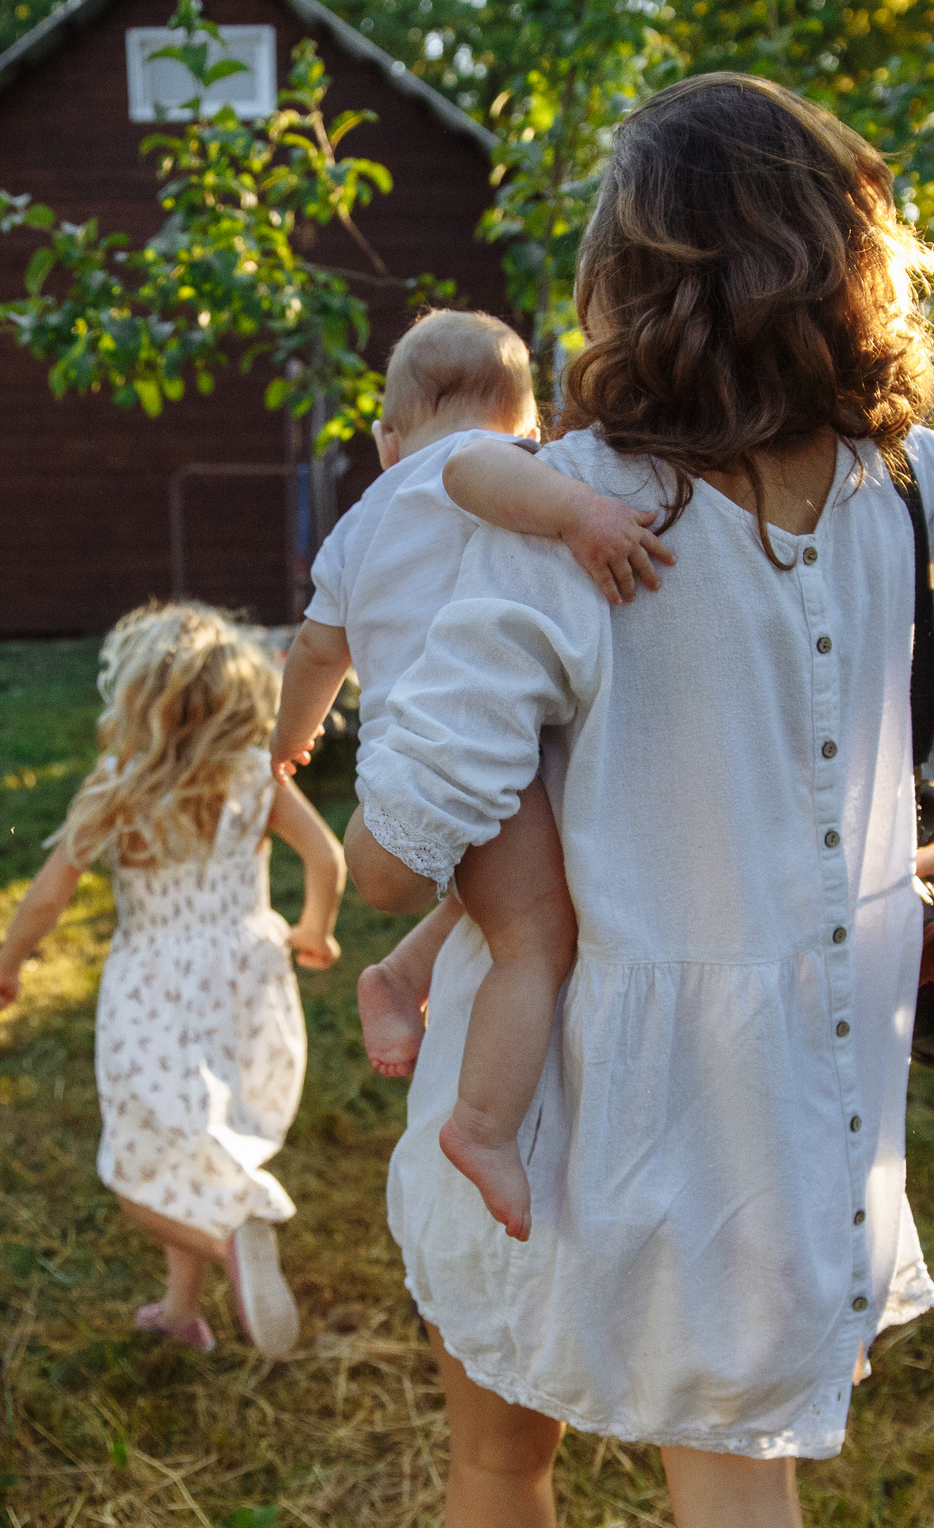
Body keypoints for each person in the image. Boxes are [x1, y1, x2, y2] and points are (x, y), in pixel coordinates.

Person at [344, 75, 934, 1528]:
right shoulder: (899, 482)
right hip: (776, 1129)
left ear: (625, 281)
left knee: (497, 1454)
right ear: (848, 267)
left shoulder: (575, 511)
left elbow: (396, 852)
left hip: (550, 1106)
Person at [270, 308, 673, 1242]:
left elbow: (313, 651)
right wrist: (584, 512)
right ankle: (483, 1126)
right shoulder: (485, 470)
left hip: (397, 757)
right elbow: (471, 465)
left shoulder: (357, 529)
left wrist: (289, 740)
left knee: (493, 898)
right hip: (467, 750)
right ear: (526, 426)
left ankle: (394, 977)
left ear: (384, 436)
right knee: (537, 934)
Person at [0, 602, 347, 1360]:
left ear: (137, 698)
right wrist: (314, 930)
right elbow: (327, 859)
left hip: (153, 989)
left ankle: (226, 1239)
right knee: (204, 1147)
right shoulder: (255, 775)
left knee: (137, 1168)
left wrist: (6, 966)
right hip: (247, 974)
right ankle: (181, 1308)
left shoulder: (118, 786)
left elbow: (49, 894)